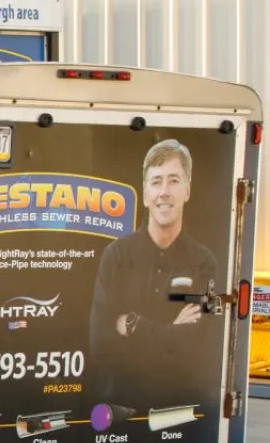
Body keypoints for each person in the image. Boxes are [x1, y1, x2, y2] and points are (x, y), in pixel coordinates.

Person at [89, 139, 220, 406]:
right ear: (146, 193)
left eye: (174, 180)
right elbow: (100, 345)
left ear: (187, 190)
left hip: (178, 408)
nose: (164, 191)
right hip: (119, 408)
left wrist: (131, 324)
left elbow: (196, 346)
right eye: (156, 181)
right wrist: (171, 332)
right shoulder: (116, 256)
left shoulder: (205, 263)